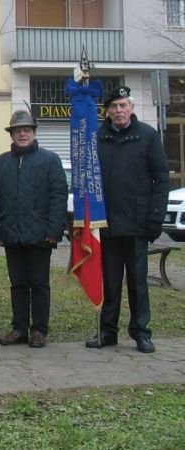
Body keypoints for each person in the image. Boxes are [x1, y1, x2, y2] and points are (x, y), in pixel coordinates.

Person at [87, 87, 170, 354]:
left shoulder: (147, 135)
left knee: (137, 283)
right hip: (108, 223)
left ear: (131, 108)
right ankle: (107, 331)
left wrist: (156, 217)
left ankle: (141, 332)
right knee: (110, 283)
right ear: (107, 111)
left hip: (137, 222)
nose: (119, 111)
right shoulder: (98, 136)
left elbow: (161, 179)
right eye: (114, 107)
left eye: (123, 105)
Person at [0, 110, 67, 348]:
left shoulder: (50, 160)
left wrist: (54, 231)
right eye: (17, 130)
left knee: (39, 284)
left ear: (34, 132)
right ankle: (19, 328)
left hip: (41, 235)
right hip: (11, 234)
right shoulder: (0, 163)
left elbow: (58, 196)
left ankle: (39, 329)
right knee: (18, 284)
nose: (22, 134)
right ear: (11, 134)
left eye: (27, 130)